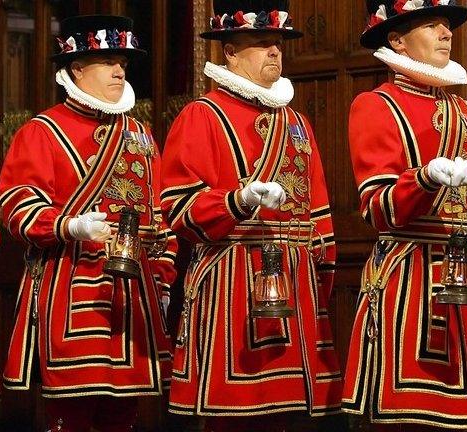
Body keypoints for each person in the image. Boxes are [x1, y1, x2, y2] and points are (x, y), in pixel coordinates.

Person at [160, 1, 342, 430]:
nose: (274, 52)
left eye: (277, 43)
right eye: (261, 43)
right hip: (233, 281)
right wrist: (237, 201)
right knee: (236, 415)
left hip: (297, 283)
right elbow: (178, 207)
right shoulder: (201, 115)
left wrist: (324, 275)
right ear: (230, 52)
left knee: (294, 415)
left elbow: (318, 207)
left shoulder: (297, 121)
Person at [0, 14, 178, 432]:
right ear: (76, 68)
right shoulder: (42, 130)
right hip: (69, 285)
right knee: (71, 410)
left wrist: (164, 277)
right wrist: (69, 226)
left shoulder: (140, 133)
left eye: (124, 63)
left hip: (134, 292)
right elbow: (16, 205)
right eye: (108, 61)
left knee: (124, 413)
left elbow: (159, 212)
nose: (120, 71)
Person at [341, 1, 467, 429]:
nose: (446, 33)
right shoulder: (376, 105)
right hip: (412, 280)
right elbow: (377, 208)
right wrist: (424, 178)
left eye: (447, 25)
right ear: (396, 40)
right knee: (415, 419)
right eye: (432, 25)